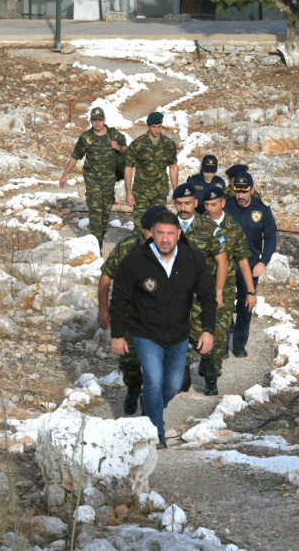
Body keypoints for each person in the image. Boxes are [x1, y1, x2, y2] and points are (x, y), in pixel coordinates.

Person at [109, 210, 216, 449]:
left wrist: (208, 330)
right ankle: (156, 431)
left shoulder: (194, 259)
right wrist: (117, 335)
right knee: (154, 382)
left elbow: (208, 297)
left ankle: (150, 408)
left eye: (170, 233)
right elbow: (118, 300)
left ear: (179, 233)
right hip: (146, 333)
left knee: (173, 386)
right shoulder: (135, 261)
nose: (165, 239)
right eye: (159, 233)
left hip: (178, 335)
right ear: (151, 234)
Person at [98, 205, 168, 416]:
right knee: (129, 360)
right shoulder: (127, 247)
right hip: (128, 316)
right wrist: (103, 309)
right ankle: (133, 386)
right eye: (151, 231)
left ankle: (149, 407)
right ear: (143, 230)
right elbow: (106, 277)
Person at [172, 183, 227, 395]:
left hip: (201, 294)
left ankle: (211, 379)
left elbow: (222, 262)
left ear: (196, 203)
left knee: (203, 335)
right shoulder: (168, 227)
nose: (183, 208)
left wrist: (219, 291)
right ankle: (183, 377)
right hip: (175, 294)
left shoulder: (209, 228)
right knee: (178, 336)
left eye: (188, 203)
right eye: (179, 203)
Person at [201, 185, 257, 392]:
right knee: (199, 330)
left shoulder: (233, 228)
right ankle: (205, 361)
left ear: (223, 204)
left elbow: (243, 261)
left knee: (219, 331)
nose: (209, 209)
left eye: (214, 204)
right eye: (206, 204)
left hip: (225, 290)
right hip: (199, 290)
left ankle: (212, 378)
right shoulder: (197, 226)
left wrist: (251, 292)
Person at [60, 107, 128, 250]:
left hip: (109, 179)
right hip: (93, 180)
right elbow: (75, 156)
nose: (97, 123)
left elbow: (126, 149)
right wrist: (65, 175)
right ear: (91, 121)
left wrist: (118, 147)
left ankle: (100, 239)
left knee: (104, 212)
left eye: (100, 120)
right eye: (94, 120)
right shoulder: (86, 138)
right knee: (96, 212)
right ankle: (97, 246)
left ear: (104, 120)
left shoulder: (114, 135)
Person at [224, 172, 276, 358]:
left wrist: (263, 262)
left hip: (251, 265)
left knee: (246, 305)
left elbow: (271, 238)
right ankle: (222, 345)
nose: (241, 196)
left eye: (244, 192)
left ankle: (239, 344)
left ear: (252, 190)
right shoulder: (225, 206)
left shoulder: (262, 209)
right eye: (237, 191)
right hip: (227, 266)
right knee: (224, 305)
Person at [124, 112, 178, 230]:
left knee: (158, 226)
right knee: (140, 227)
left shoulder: (168, 144)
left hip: (159, 191)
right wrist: (128, 192)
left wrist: (176, 191)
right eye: (154, 127)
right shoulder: (137, 144)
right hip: (141, 192)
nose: (156, 130)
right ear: (148, 126)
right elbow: (128, 168)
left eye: (159, 127)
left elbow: (173, 167)